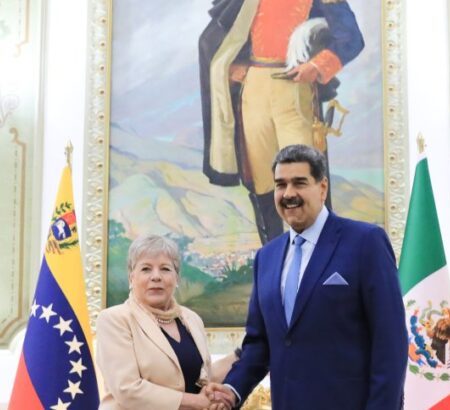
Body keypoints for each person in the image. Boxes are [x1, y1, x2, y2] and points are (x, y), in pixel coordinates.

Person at [206, 145, 408, 410]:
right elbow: (259, 344)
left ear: (322, 188)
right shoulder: (266, 257)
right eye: (280, 185)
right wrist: (232, 390)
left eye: (299, 183)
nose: (289, 194)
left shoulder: (365, 242)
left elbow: (390, 342)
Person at [199, 0, 365, 244]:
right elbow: (224, 34)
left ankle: (315, 259)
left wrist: (316, 66)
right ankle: (273, 259)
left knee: (306, 176)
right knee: (261, 180)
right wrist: (233, 65)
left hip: (295, 88)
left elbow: (350, 37)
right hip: (254, 88)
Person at [96, 234, 237, 410]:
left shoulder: (192, 319)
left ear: (177, 278)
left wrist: (213, 397)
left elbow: (202, 378)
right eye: (146, 269)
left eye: (165, 269)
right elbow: (127, 389)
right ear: (131, 278)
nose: (156, 277)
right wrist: (197, 402)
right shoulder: (114, 319)